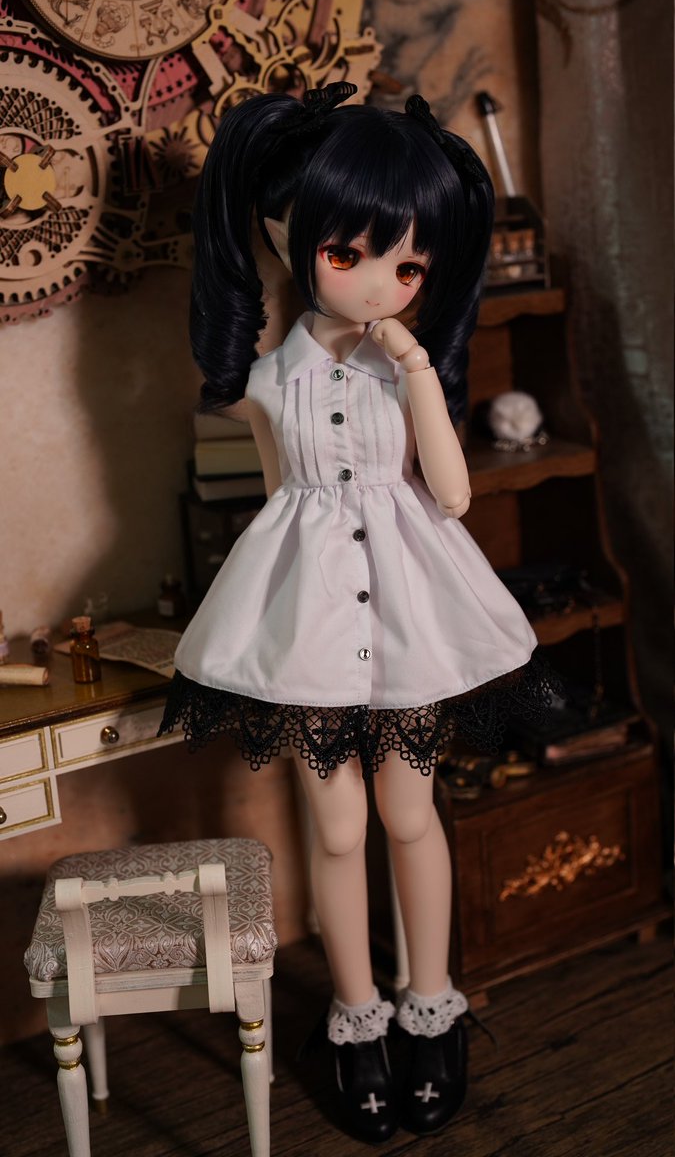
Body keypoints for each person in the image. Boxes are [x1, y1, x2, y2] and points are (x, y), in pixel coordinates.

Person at [159, 82, 555, 1143]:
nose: (382, 283)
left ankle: (432, 1007)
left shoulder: (404, 367)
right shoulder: (262, 382)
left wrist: (415, 367)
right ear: (285, 235)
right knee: (336, 826)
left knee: (409, 812)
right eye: (350, 253)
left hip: (413, 611)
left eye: (409, 266)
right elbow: (279, 500)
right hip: (312, 618)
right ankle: (355, 1017)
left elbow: (453, 495)